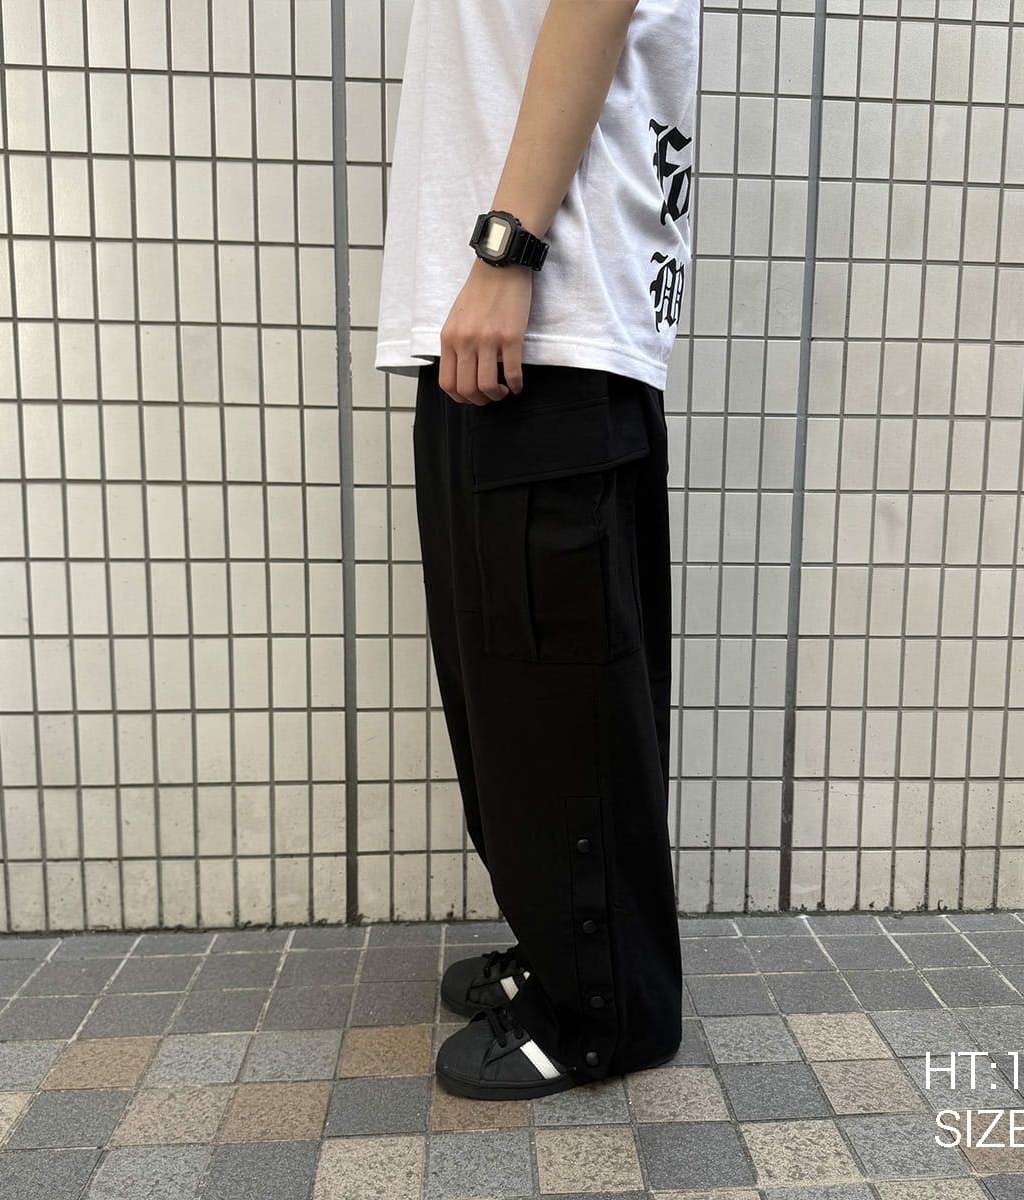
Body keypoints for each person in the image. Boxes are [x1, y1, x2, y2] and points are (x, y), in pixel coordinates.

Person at [373, 0, 699, 1100]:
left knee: (557, 692)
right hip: (506, 314)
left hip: (543, 308)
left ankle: (604, 1013)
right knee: (509, 696)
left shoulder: (520, 271)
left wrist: (508, 245)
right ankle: (563, 950)